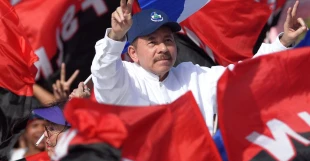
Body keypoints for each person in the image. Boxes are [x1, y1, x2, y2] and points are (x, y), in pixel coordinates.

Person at [90, 0, 308, 133]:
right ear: (133, 53)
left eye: (168, 40)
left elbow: (243, 75)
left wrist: (283, 43)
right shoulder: (124, 81)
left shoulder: (191, 75)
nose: (163, 48)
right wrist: (116, 36)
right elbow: (104, 72)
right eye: (153, 42)